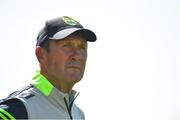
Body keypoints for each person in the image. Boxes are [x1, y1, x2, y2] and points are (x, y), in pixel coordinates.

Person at [0, 16, 96, 119]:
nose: (78, 56)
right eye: (67, 45)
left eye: (82, 47)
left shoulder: (78, 114)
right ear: (41, 55)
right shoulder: (16, 109)